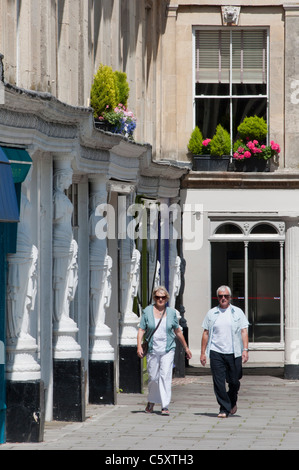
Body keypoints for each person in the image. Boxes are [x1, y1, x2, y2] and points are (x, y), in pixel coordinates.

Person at [137, 285, 192, 415]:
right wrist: (139, 345)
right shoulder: (147, 311)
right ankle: (151, 400)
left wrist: (186, 347)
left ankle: (165, 405)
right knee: (153, 377)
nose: (160, 300)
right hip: (152, 349)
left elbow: (177, 331)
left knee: (165, 376)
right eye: (157, 297)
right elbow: (141, 329)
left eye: (162, 297)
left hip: (168, 349)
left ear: (166, 298)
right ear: (154, 298)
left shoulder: (172, 313)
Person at [200, 285, 249, 418]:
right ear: (217, 297)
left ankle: (232, 400)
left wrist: (245, 349)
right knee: (218, 382)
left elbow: (244, 331)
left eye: (226, 296)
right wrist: (203, 353)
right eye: (220, 296)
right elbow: (205, 333)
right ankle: (224, 408)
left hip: (234, 352)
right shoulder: (211, 313)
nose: (223, 298)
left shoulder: (237, 312)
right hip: (216, 352)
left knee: (234, 381)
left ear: (230, 297)